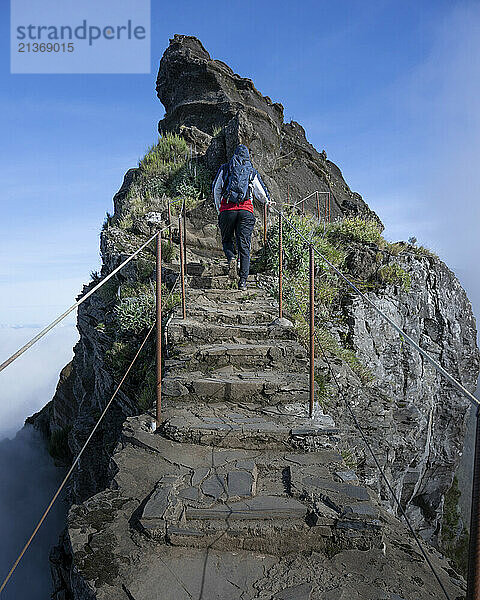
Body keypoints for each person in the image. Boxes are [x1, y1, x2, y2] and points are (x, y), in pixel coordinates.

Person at [212, 144, 272, 290]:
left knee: (227, 239)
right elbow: (260, 193)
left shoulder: (225, 168)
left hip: (227, 209)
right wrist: (268, 201)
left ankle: (231, 258)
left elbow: (216, 189)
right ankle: (243, 282)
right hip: (246, 210)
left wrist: (220, 209)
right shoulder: (251, 171)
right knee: (244, 245)